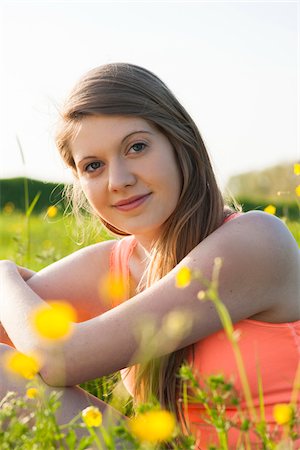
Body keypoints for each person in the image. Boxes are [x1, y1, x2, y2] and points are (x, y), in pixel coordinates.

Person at [0, 63, 299, 448]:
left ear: (180, 141)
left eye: (137, 147)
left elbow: (60, 358)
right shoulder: (114, 264)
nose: (119, 179)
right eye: (94, 166)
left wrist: (5, 277)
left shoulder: (255, 241)